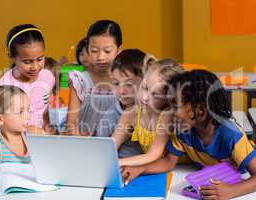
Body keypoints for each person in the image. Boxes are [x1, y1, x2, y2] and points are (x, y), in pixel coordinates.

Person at [121, 70, 256, 200]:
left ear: (200, 110)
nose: (170, 112)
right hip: (206, 180)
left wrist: (232, 191)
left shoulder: (232, 136)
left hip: (236, 185)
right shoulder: (183, 130)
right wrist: (139, 169)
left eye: (175, 106)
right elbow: (168, 162)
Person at [113, 57, 184, 166]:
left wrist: (116, 163)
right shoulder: (132, 112)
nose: (145, 97)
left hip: (184, 169)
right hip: (159, 168)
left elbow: (153, 155)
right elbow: (112, 145)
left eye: (155, 95)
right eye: (145, 87)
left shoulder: (167, 115)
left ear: (169, 98)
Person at [0, 24, 55, 134]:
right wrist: (29, 130)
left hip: (42, 139)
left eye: (40, 59)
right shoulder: (2, 87)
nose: (35, 67)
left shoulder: (48, 76)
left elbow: (45, 107)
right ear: (11, 57)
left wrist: (48, 125)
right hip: (14, 143)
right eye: (27, 62)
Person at [66, 19, 122, 136]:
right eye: (94, 50)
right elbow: (71, 124)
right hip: (84, 144)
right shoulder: (80, 80)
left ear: (119, 50)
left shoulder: (125, 81)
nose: (100, 57)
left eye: (107, 51)